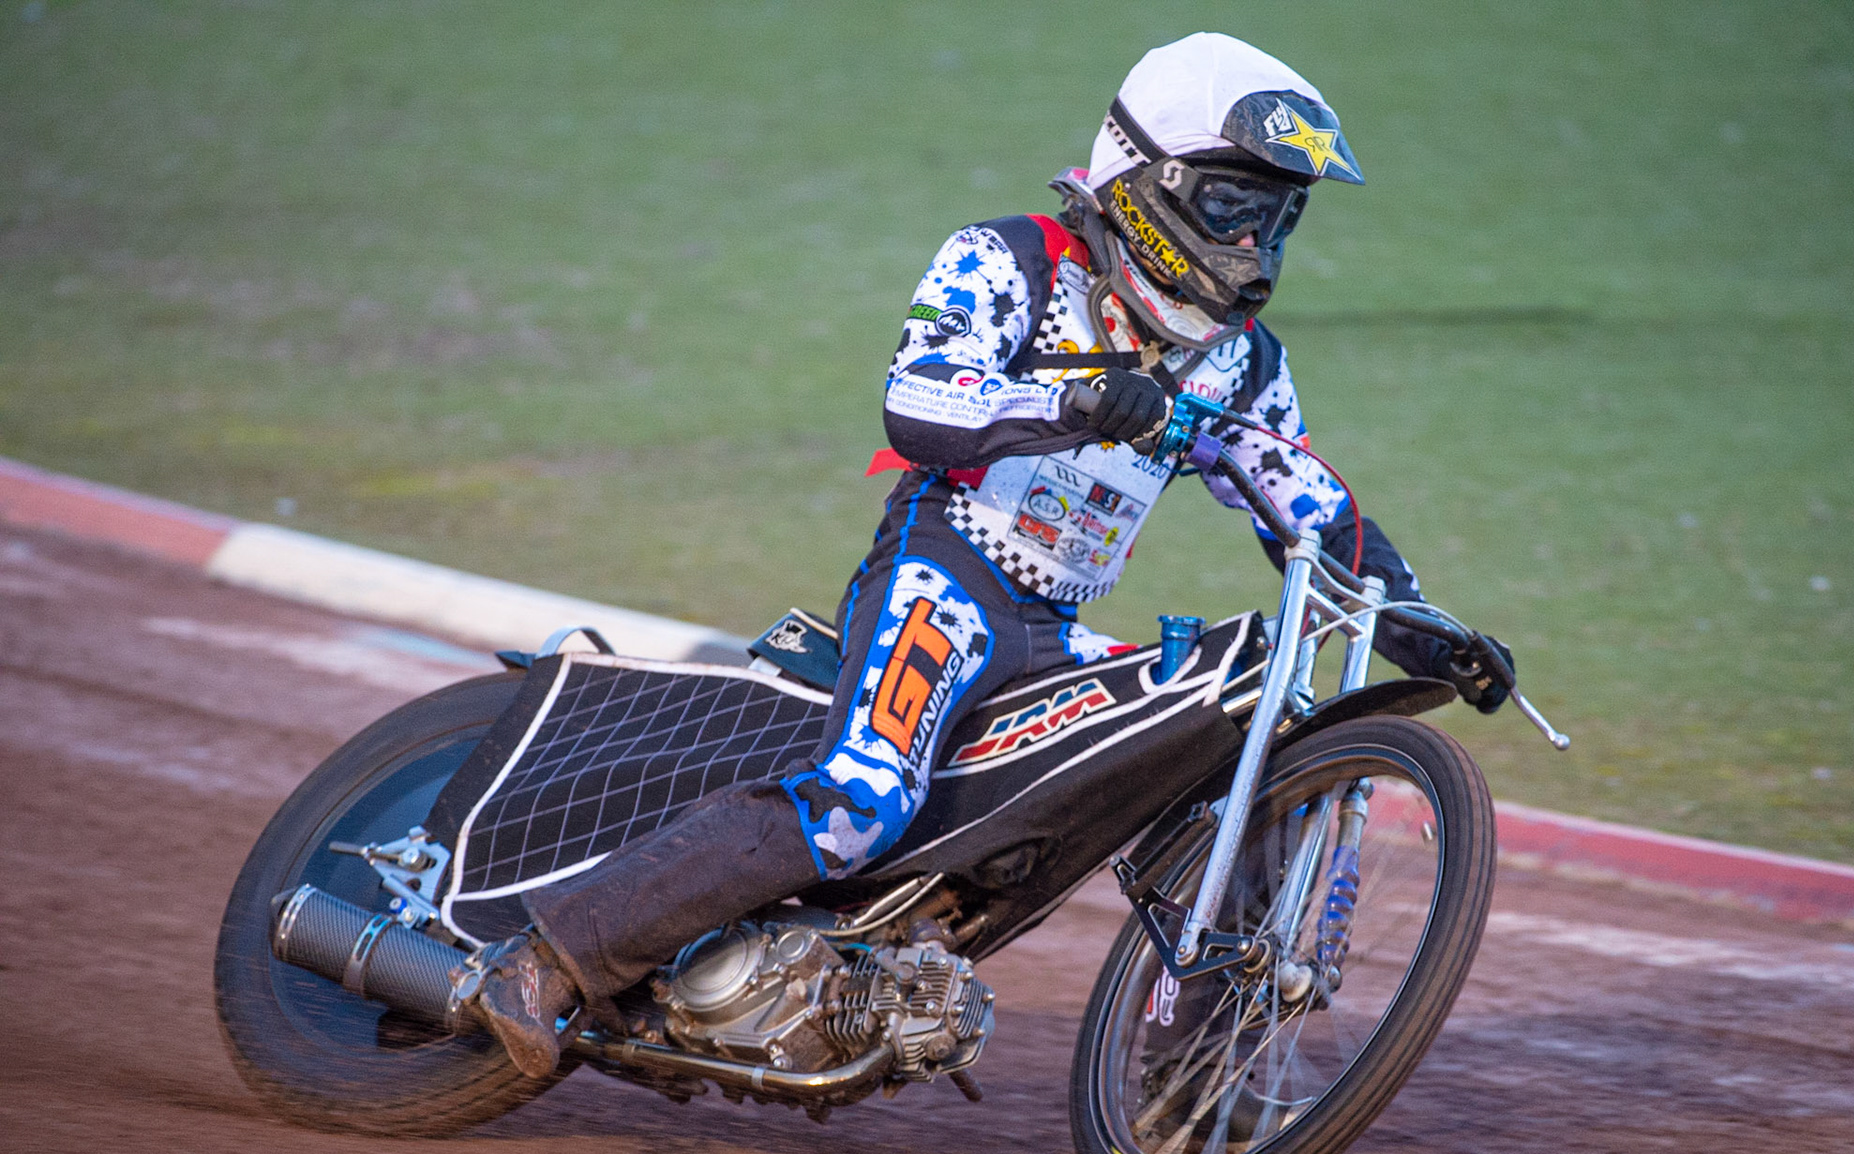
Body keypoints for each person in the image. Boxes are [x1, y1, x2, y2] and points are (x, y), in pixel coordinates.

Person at [465, 32, 1513, 1078]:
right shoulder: (1003, 259)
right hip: (944, 575)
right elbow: (914, 403)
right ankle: (548, 962)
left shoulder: (1241, 364)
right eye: (1235, 208)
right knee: (855, 807)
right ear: (1151, 182)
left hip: (1051, 631)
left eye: (1278, 218)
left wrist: (1424, 630)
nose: (1255, 247)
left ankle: (1194, 1078)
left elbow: (1314, 507)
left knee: (1217, 752)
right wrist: (1077, 398)